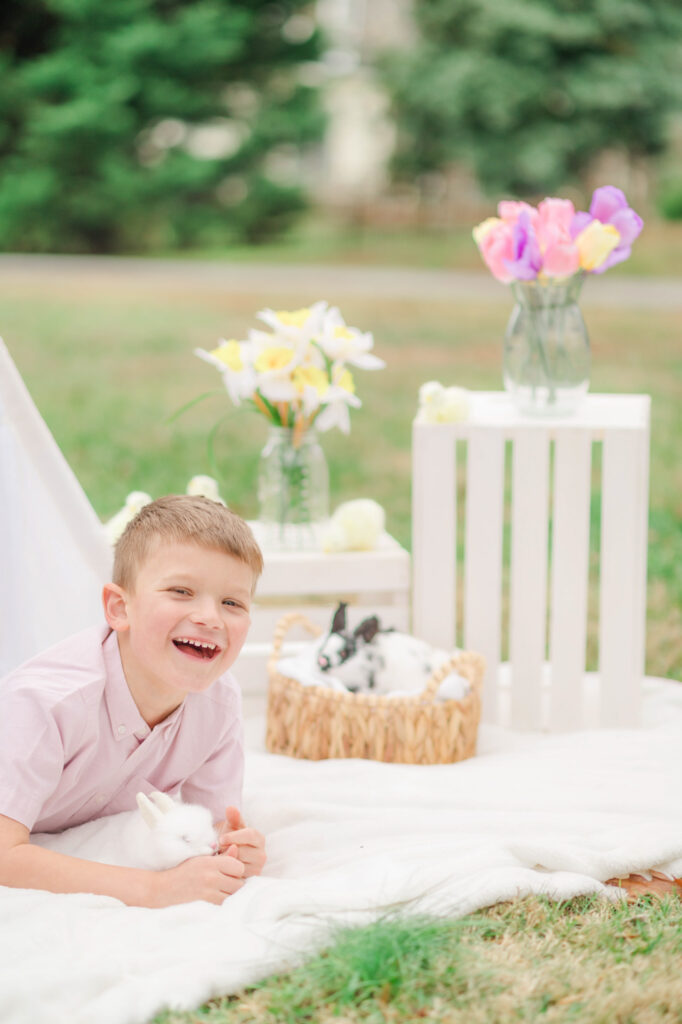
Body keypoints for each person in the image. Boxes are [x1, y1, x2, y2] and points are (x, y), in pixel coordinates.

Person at [0, 494, 266, 907]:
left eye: (232, 602)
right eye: (181, 591)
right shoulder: (46, 703)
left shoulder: (219, 704)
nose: (210, 618)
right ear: (119, 608)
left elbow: (215, 825)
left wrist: (234, 852)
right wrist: (154, 889)